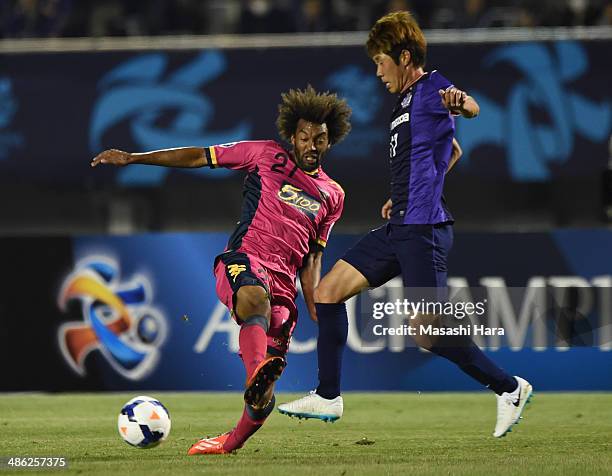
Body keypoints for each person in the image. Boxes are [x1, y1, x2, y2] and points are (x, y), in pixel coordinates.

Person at [277, 11, 533, 438]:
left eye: (380, 61)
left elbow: (468, 105)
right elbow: (451, 151)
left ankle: (509, 388)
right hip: (401, 226)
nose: (377, 71)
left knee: (426, 333)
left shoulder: (433, 87)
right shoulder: (403, 101)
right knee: (327, 292)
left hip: (423, 230)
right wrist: (407, 192)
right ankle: (328, 396)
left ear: (404, 56)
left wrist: (462, 106)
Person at [91, 85, 352, 454]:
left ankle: (229, 443)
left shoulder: (333, 195)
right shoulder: (264, 154)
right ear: (292, 135)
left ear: (330, 140)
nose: (311, 145)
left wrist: (314, 304)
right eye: (305, 137)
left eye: (320, 139)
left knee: (262, 402)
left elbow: (312, 258)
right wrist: (134, 158)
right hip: (246, 261)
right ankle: (254, 375)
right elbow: (199, 155)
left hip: (284, 286)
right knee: (254, 302)